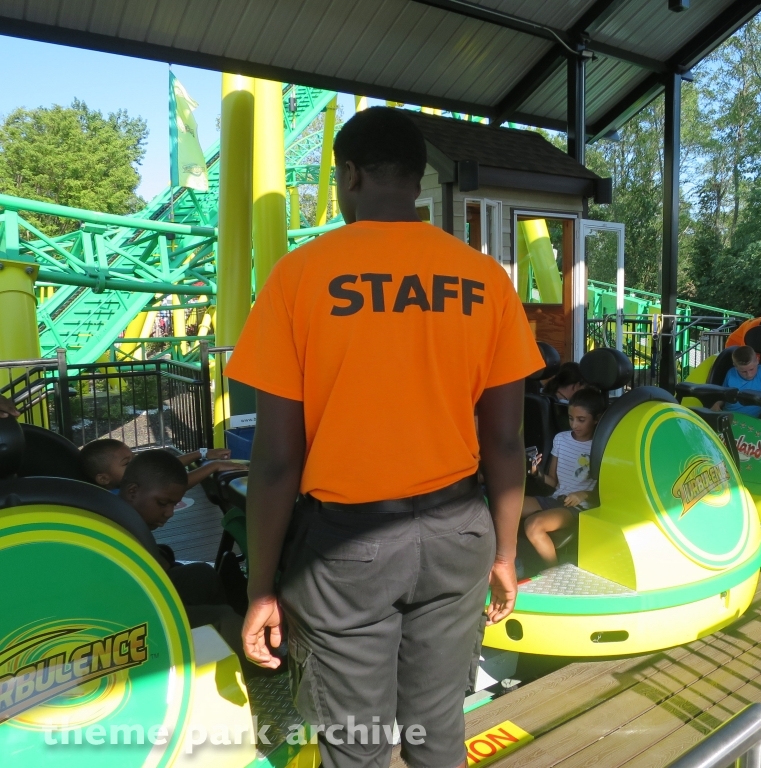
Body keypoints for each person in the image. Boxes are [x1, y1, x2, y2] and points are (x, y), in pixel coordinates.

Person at [226, 107, 542, 768]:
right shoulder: (484, 280)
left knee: (357, 744)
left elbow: (278, 459)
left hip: (345, 552)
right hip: (459, 532)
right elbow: (506, 444)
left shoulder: (298, 277)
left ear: (350, 175)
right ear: (418, 175)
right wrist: (506, 553)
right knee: (437, 728)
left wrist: (261, 587)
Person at [119, 450, 249, 665]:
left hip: (141, 594)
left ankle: (215, 654)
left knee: (201, 574)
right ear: (132, 491)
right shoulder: (120, 526)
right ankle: (256, 673)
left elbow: (161, 480)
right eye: (162, 504)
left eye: (173, 504)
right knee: (224, 619)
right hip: (130, 616)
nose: (170, 513)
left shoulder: (124, 506)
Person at [522, 388, 605, 567]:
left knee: (533, 526)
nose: (574, 424)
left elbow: (610, 490)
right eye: (570, 418)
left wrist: (584, 494)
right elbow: (554, 482)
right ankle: (513, 560)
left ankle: (554, 572)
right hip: (555, 498)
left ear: (596, 419)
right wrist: (536, 472)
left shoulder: (601, 446)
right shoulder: (561, 439)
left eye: (581, 420)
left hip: (580, 507)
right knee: (506, 508)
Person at [80, 437, 242, 491]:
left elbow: (163, 467)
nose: (136, 464)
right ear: (103, 478)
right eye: (127, 463)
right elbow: (173, 486)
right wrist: (212, 466)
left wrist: (202, 453)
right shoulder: (127, 495)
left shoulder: (123, 484)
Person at [710, 345, 761, 418]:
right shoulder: (730, 373)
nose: (749, 374)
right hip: (728, 416)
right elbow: (724, 395)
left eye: (752, 369)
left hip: (752, 420)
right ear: (735, 366)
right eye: (743, 371)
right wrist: (717, 404)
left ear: (757, 361)